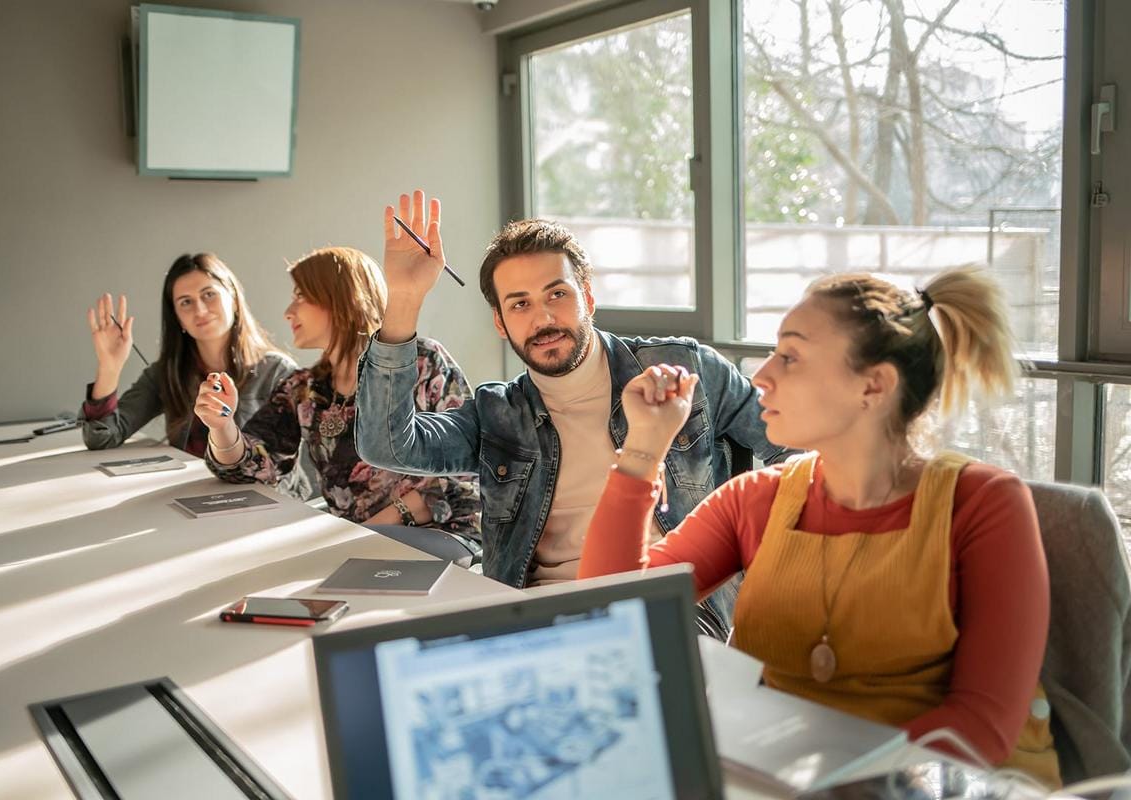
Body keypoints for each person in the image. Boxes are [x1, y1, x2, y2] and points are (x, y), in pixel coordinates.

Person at [577, 266, 1060, 785]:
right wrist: (644, 445)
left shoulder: (983, 504)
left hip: (937, 786)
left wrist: (826, 784)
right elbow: (611, 616)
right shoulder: (757, 499)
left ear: (874, 385)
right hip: (774, 780)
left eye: (790, 356)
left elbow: (981, 728)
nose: (761, 376)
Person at [354, 191, 788, 633]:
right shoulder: (498, 413)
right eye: (520, 303)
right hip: (536, 613)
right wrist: (405, 299)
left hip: (670, 604)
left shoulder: (686, 369)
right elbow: (386, 444)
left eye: (557, 294)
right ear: (501, 324)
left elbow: (793, 448)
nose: (543, 318)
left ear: (588, 299)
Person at [197, 246, 481, 542]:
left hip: (437, 536)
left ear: (340, 299)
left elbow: (467, 472)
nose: (288, 312)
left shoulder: (422, 362)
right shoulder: (303, 389)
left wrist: (367, 531)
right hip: (358, 543)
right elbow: (249, 470)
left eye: (300, 296)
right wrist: (221, 425)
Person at [82, 253, 298, 461]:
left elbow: (282, 467)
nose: (200, 310)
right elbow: (101, 438)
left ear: (232, 298)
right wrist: (110, 366)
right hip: (187, 494)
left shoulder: (278, 372)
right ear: (177, 318)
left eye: (209, 294)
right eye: (186, 302)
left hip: (258, 495)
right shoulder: (167, 373)